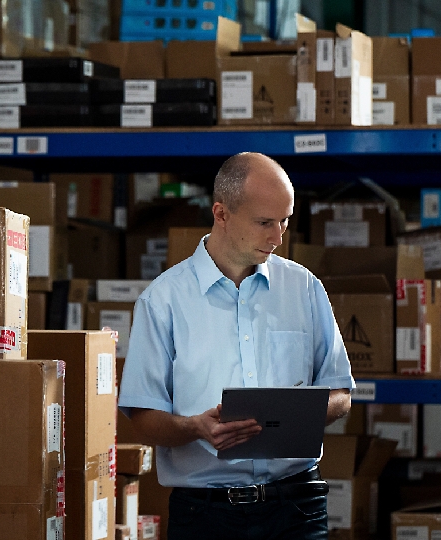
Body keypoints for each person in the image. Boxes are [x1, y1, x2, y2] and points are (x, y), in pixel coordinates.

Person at [118, 152, 355, 540]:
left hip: (297, 505)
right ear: (221, 213)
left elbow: (341, 394)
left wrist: (296, 414)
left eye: (285, 221)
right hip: (205, 515)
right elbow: (143, 418)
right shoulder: (163, 301)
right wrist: (195, 427)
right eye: (264, 222)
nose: (278, 237)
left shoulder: (305, 289)